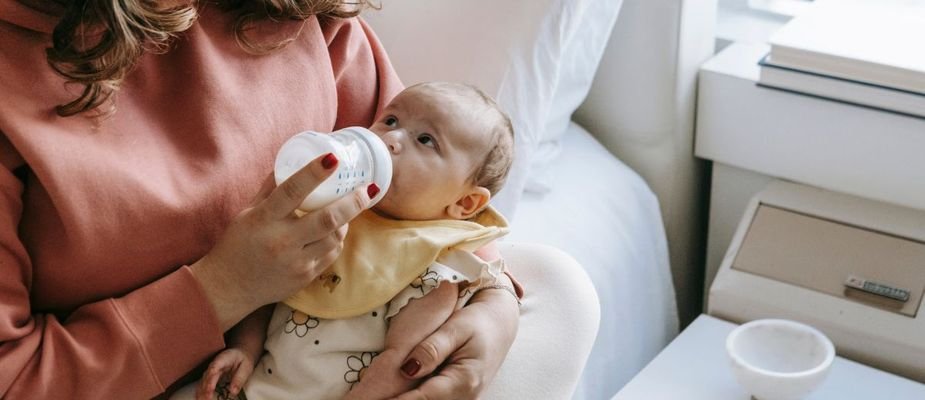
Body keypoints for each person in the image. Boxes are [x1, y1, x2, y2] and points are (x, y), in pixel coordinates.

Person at [0, 1, 526, 398]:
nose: (389, 135)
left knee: (569, 291)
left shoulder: (299, 16)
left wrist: (496, 301)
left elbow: (438, 191)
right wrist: (225, 288)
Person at [174, 81, 517, 400]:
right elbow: (266, 287)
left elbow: (403, 363)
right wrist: (245, 349)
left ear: (464, 204)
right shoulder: (333, 210)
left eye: (425, 140)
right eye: (391, 119)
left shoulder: (433, 266)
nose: (391, 139)